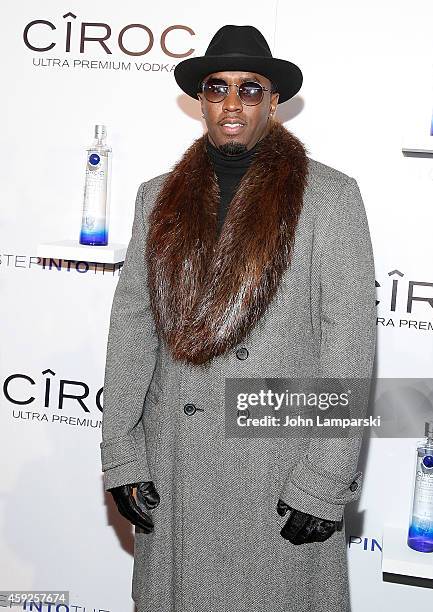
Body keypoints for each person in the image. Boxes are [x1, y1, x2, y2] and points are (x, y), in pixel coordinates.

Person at [100, 24, 376, 612]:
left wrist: (323, 479)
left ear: (273, 100)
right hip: (177, 458)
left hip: (274, 462)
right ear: (201, 99)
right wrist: (123, 452)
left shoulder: (328, 197)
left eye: (249, 90)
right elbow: (132, 328)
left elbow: (347, 346)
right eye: (217, 87)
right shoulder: (157, 196)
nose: (232, 103)